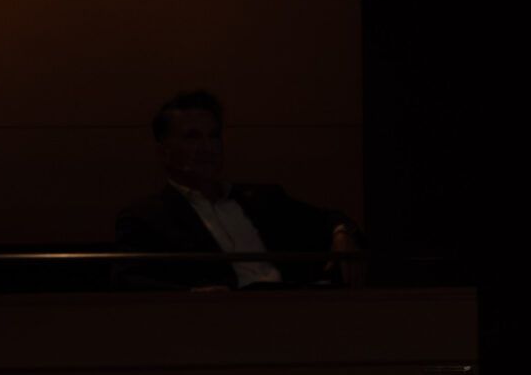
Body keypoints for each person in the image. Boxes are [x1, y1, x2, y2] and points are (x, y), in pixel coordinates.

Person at [116, 90, 360, 290]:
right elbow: (129, 280)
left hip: (293, 307)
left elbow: (329, 219)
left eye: (213, 136)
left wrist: (342, 233)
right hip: (217, 320)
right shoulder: (147, 217)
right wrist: (192, 296)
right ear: (164, 152)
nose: (207, 147)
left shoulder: (264, 199)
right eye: (192, 137)